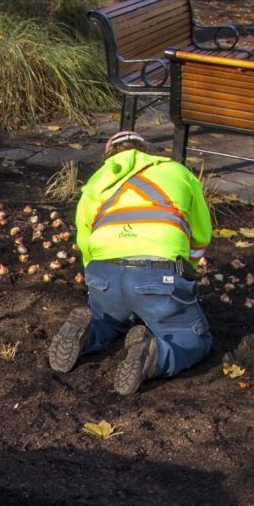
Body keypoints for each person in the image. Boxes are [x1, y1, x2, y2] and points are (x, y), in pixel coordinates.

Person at [48, 130, 214, 395]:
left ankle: (89, 333)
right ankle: (153, 356)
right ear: (145, 150)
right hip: (158, 275)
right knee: (192, 338)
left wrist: (98, 277)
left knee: (110, 319)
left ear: (108, 155)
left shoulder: (97, 180)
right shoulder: (176, 172)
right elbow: (202, 233)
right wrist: (186, 267)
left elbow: (86, 241)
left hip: (105, 273)